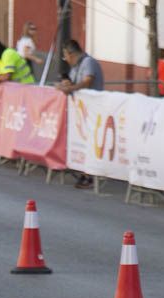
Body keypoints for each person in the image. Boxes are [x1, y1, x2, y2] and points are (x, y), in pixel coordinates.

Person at [58, 40, 104, 189]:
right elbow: (73, 81)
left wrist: (72, 88)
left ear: (70, 54)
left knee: (91, 142)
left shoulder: (88, 62)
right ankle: (84, 172)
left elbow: (87, 81)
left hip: (92, 110)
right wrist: (66, 83)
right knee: (82, 141)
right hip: (81, 111)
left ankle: (90, 176)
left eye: (66, 57)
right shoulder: (76, 66)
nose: (67, 61)